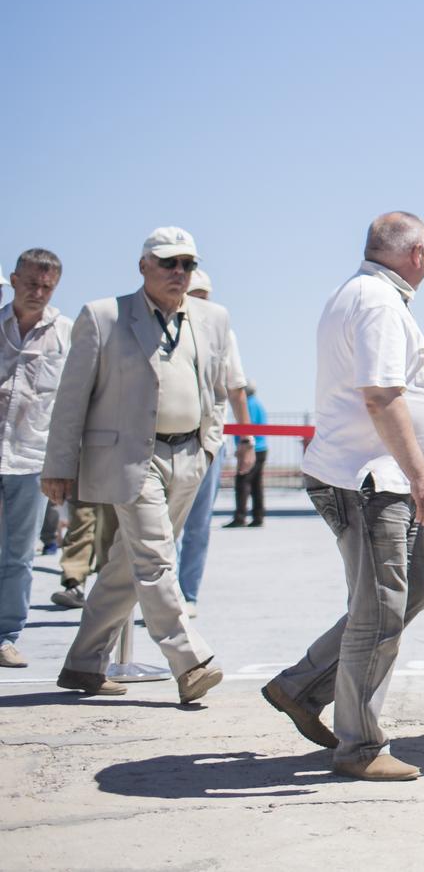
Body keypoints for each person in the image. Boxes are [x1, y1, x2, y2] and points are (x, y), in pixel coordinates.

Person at [263, 213, 424, 782]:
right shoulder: (378, 303)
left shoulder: (365, 295)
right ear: (417, 254)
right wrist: (421, 476)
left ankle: (301, 687)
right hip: (371, 481)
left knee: (409, 593)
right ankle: (360, 746)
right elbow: (382, 396)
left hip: (376, 478)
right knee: (380, 610)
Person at [41, 227, 244, 703]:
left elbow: (216, 388)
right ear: (144, 266)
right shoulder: (104, 316)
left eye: (187, 264)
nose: (179, 272)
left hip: (190, 457)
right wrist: (59, 466)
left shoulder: (213, 318)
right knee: (155, 559)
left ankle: (83, 663)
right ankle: (188, 661)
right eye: (169, 263)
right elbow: (72, 399)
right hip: (132, 459)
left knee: (127, 564)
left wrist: (209, 444)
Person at [0, 249, 71, 668]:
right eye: (31, 284)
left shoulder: (65, 334)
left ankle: (6, 635)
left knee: (19, 555)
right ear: (13, 280)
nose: (38, 292)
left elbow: (71, 404)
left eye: (46, 286)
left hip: (31, 461)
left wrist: (64, 466)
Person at [177, 266, 253, 610]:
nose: (199, 305)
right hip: (164, 440)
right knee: (163, 526)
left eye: (204, 298)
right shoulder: (161, 329)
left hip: (209, 441)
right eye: (194, 298)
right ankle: (163, 597)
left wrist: (246, 441)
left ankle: (187, 594)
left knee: (198, 523)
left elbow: (236, 389)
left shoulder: (223, 332)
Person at [229, 386, 267, 525]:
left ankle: (240, 516)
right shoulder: (258, 404)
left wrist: (242, 446)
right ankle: (258, 516)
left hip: (252, 448)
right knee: (257, 485)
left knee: (242, 483)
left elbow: (244, 426)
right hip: (261, 447)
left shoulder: (247, 405)